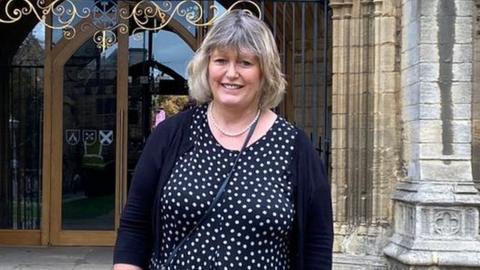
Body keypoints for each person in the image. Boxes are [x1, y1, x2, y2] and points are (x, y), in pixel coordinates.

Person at [113, 10, 333, 270]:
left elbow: (317, 243)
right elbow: (135, 226)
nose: (231, 73)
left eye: (245, 63)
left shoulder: (294, 146)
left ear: (265, 72)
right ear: (206, 67)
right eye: (221, 60)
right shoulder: (171, 135)